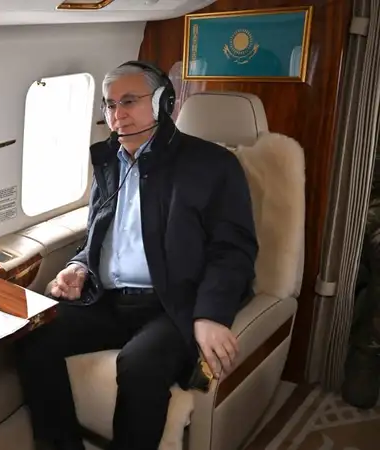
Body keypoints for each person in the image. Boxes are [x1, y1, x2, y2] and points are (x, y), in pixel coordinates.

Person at [15, 61, 258, 450]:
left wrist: (210, 314)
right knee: (32, 336)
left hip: (173, 305)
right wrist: (80, 265)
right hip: (109, 299)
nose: (117, 115)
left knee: (140, 366)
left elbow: (233, 250)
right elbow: (100, 233)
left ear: (163, 103)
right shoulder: (108, 161)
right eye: (109, 105)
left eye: (129, 101)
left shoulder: (213, 165)